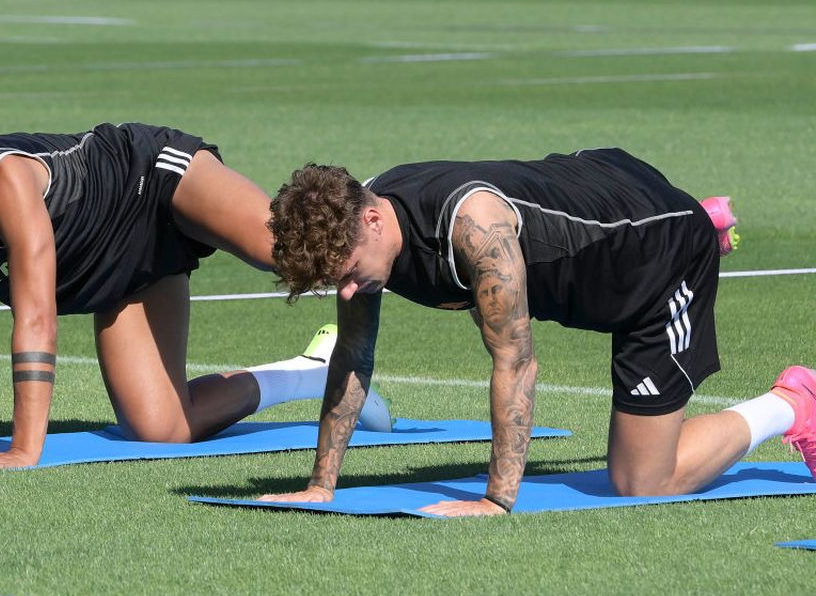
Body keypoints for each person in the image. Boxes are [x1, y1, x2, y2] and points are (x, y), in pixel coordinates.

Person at [0, 87, 390, 468]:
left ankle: (395, 210)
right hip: (118, 270)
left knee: (284, 251)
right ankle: (313, 373)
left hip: (149, 179)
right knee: (161, 431)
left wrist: (23, 448)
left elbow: (34, 315)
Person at [259, 148, 814, 516]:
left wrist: (497, 501)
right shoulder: (364, 215)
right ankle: (690, 213)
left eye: (349, 275)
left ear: (372, 220)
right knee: (486, 300)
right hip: (607, 195)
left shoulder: (476, 229)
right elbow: (354, 352)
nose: (348, 293)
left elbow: (517, 363)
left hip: (658, 265)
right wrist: (321, 485)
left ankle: (792, 401)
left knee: (644, 480)